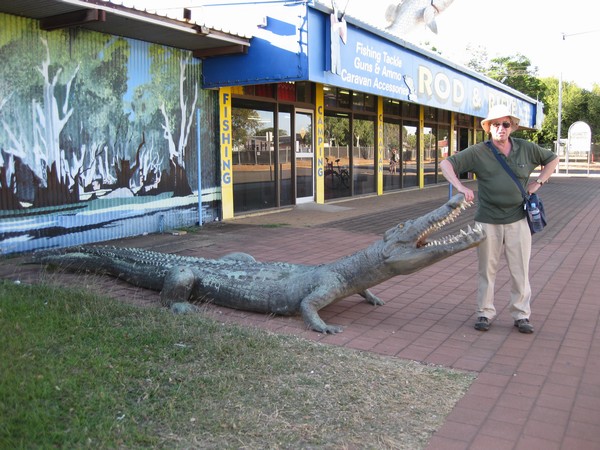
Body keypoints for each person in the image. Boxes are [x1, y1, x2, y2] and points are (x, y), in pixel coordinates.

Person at [440, 104, 559, 334]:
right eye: (496, 124)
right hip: (488, 220)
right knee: (487, 269)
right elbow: (446, 164)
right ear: (488, 128)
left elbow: (553, 159)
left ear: (512, 127)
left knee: (520, 269)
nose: (501, 128)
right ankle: (484, 312)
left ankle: (521, 314)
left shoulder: (526, 148)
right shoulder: (478, 152)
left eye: (505, 124)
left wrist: (540, 181)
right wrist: (460, 187)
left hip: (518, 220)